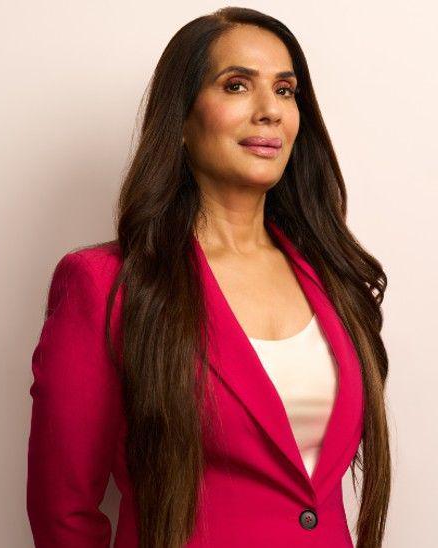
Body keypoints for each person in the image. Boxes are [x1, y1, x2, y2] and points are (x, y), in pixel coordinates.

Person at [27, 7, 389, 548]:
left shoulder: (335, 279)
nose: (269, 111)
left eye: (286, 91)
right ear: (181, 118)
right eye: (237, 85)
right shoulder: (104, 284)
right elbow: (65, 512)